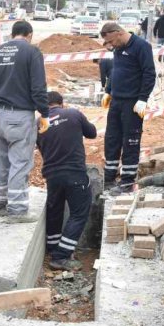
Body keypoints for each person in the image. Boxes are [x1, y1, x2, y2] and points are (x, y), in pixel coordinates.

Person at [0, 20, 49, 222]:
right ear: (29, 34)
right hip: (20, 115)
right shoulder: (32, 52)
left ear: (13, 34)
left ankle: (0, 206)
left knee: (1, 161)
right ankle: (17, 211)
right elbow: (38, 87)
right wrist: (44, 112)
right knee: (20, 162)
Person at [37, 91, 97, 271]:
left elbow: (40, 146)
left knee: (55, 211)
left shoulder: (38, 123)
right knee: (79, 213)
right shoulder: (73, 113)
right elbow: (92, 133)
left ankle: (53, 247)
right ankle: (61, 256)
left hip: (52, 175)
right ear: (61, 104)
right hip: (74, 173)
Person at [100, 22, 156, 193]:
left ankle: (127, 181)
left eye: (111, 41)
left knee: (130, 141)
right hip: (116, 101)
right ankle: (109, 177)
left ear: (118, 33)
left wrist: (143, 99)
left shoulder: (141, 46)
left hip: (133, 103)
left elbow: (149, 73)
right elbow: (115, 71)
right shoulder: (118, 48)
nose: (111, 46)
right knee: (112, 138)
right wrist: (108, 91)